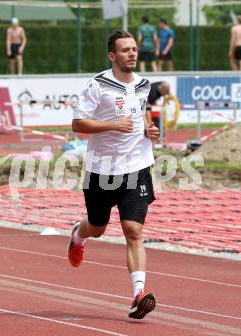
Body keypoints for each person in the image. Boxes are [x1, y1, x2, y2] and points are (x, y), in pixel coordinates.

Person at [68, 29, 159, 320]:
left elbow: (142, 113)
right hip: (102, 170)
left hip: (137, 166)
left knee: (134, 231)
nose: (132, 53)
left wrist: (149, 129)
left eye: (133, 49)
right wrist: (111, 125)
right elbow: (77, 124)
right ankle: (78, 236)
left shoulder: (144, 85)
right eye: (125, 50)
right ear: (112, 55)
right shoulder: (98, 85)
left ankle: (138, 293)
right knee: (98, 227)